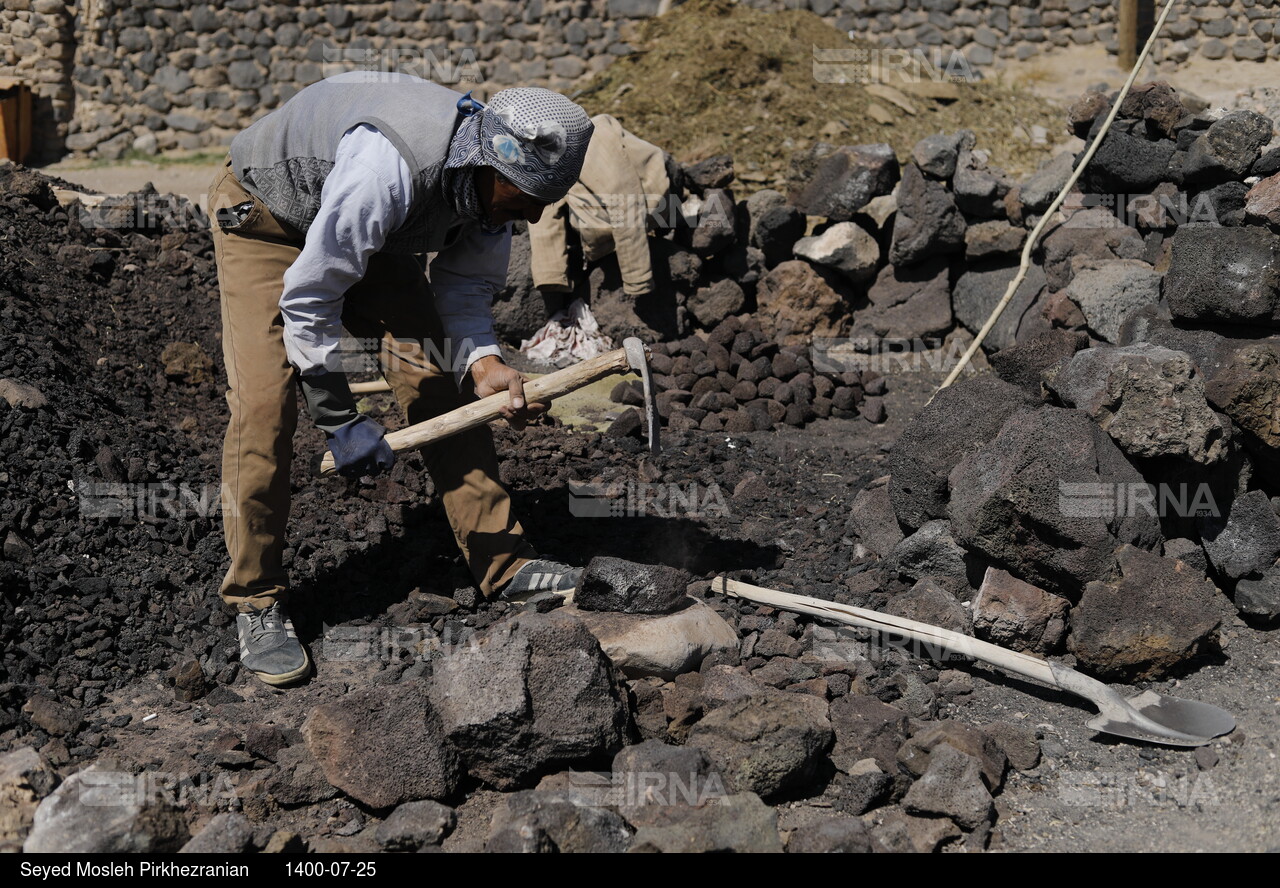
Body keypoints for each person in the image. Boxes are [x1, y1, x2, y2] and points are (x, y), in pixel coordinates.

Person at [207, 71, 595, 686]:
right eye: (524, 198)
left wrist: (485, 364)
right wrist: (339, 419)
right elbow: (310, 300)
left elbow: (463, 288)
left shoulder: (498, 194)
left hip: (372, 233)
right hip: (268, 219)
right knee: (264, 408)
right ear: (490, 164)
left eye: (543, 202)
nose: (533, 213)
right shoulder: (387, 168)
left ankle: (502, 561)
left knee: (437, 381)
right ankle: (256, 599)